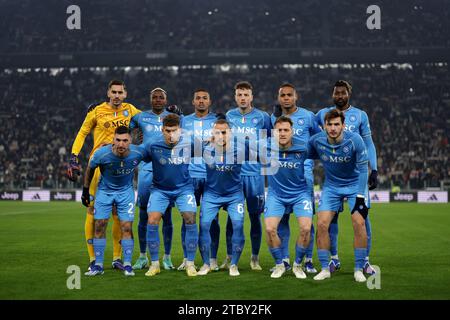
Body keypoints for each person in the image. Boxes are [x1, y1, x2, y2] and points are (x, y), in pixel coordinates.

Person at [67, 79, 141, 271]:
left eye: (120, 92)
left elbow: (149, 121)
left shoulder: (131, 110)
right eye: (114, 92)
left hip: (121, 165)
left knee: (118, 213)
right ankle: (93, 259)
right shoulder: (97, 111)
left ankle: (117, 258)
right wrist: (74, 156)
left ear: (125, 94)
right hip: (99, 166)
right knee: (92, 211)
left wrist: (169, 114)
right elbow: (82, 132)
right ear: (108, 93)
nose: (117, 96)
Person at [315, 80, 378, 275]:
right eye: (336, 93)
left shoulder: (360, 115)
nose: (339, 96)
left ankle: (364, 262)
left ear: (348, 94)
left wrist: (373, 169)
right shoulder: (322, 114)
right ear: (332, 94)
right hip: (334, 177)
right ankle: (333, 259)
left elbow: (368, 143)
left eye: (343, 93)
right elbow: (304, 127)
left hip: (355, 177)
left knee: (362, 219)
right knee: (330, 221)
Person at [308, 110, 369, 282]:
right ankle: (325, 268)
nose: (333, 128)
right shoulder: (316, 140)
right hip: (332, 187)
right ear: (324, 126)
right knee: (321, 223)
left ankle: (358, 269)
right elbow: (302, 153)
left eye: (337, 124)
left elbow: (364, 169)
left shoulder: (355, 140)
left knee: (359, 222)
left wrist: (359, 196)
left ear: (343, 125)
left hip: (354, 185)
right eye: (330, 124)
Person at [82, 126, 150, 277]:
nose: (121, 144)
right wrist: (85, 190)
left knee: (126, 226)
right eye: (118, 140)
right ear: (113, 140)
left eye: (125, 140)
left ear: (130, 141)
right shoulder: (101, 154)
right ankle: (98, 265)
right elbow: (90, 168)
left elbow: (153, 157)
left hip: (125, 193)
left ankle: (127, 265)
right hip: (104, 192)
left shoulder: (138, 152)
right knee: (99, 225)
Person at [271, 83, 320, 274]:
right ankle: (283, 260)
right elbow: (269, 141)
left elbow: (317, 140)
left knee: (306, 219)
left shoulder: (308, 116)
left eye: (289, 95)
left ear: (296, 96)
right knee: (281, 219)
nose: (286, 98)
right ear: (279, 98)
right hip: (279, 171)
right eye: (282, 95)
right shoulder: (273, 118)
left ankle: (308, 260)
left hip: (304, 172)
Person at [143, 114, 199, 277]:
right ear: (162, 130)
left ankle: (190, 263)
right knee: (152, 220)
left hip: (184, 188)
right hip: (160, 189)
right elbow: (137, 155)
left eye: (174, 131)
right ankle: (154, 264)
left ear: (180, 130)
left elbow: (212, 149)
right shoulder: (152, 144)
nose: (171, 134)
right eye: (167, 131)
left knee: (190, 218)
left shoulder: (190, 142)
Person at [224, 81, 271, 270]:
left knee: (254, 217)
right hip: (234, 175)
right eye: (239, 95)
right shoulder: (229, 115)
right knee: (231, 218)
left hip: (255, 175)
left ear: (252, 97)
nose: (243, 98)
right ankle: (228, 257)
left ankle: (254, 258)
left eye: (246, 95)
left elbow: (270, 142)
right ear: (235, 97)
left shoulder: (263, 117)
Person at [130, 87, 176, 271]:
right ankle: (142, 256)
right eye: (154, 97)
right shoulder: (140, 117)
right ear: (151, 99)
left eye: (161, 98)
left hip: (167, 169)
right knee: (143, 213)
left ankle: (167, 257)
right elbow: (123, 128)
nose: (157, 100)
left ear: (166, 100)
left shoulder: (172, 118)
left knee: (167, 215)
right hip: (146, 169)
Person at [178, 88, 224, 271]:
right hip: (189, 175)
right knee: (186, 218)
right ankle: (186, 257)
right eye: (198, 98)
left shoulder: (217, 121)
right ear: (193, 102)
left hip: (211, 175)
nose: (201, 101)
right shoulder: (184, 121)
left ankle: (212, 258)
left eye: (205, 98)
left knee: (213, 219)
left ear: (210, 101)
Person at [264, 116, 313, 279]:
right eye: (279, 130)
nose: (283, 133)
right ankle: (280, 264)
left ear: (292, 132)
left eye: (286, 130)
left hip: (300, 193)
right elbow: (238, 145)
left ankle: (298, 265)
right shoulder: (264, 146)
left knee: (306, 228)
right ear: (273, 132)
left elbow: (327, 149)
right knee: (270, 229)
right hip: (276, 195)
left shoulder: (304, 147)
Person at [197, 119, 247, 277]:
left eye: (224, 132)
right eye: (217, 132)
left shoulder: (241, 149)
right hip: (212, 194)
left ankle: (234, 264)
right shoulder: (205, 148)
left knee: (238, 225)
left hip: (234, 195)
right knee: (204, 225)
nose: (221, 135)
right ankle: (206, 264)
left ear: (230, 133)